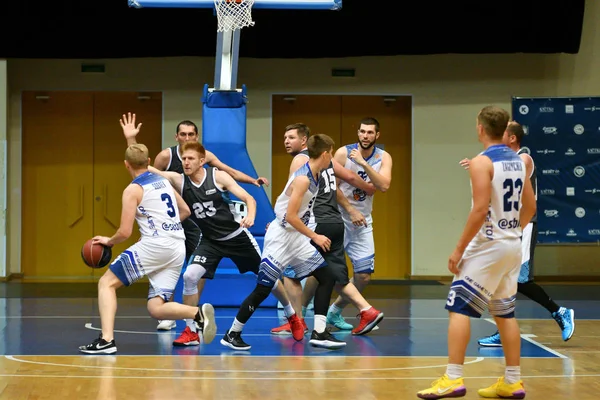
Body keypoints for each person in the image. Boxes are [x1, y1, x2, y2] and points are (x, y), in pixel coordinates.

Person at [417, 106, 536, 399]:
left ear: (480, 128)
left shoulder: (482, 162)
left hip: (489, 245)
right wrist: (512, 232)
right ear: (505, 130)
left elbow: (480, 208)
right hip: (512, 244)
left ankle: (453, 378)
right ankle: (512, 381)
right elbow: (530, 208)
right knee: (504, 314)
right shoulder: (520, 161)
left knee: (458, 306)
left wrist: (458, 250)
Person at [136, 140, 293, 347]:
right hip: (210, 241)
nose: (185, 162)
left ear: (202, 161)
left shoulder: (218, 176)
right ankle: (191, 330)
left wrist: (251, 217)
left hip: (236, 237)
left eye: (190, 158)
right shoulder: (179, 180)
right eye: (183, 158)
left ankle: (291, 315)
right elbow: (144, 167)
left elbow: (249, 199)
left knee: (268, 278)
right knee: (190, 275)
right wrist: (133, 143)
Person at [120, 113, 269, 331]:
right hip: (180, 220)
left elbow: (231, 173)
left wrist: (252, 182)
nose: (187, 138)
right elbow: (141, 168)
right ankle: (175, 316)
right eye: (183, 134)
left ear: (198, 140)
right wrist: (131, 140)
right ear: (177, 137)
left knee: (204, 271)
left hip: (212, 224)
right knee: (177, 267)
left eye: (191, 134)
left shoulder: (209, 162)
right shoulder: (167, 159)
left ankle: (289, 311)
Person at [78, 143, 217, 354]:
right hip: (176, 246)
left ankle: (106, 340)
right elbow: (186, 210)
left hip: (156, 245)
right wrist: (167, 227)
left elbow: (124, 232)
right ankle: (197, 313)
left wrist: (109, 240)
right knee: (156, 308)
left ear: (126, 165)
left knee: (106, 283)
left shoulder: (132, 190)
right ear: (149, 162)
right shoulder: (163, 182)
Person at [221, 134, 342, 350]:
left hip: (295, 236)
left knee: (327, 276)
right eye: (331, 154)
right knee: (263, 289)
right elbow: (292, 216)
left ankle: (320, 332)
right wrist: (314, 236)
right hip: (282, 237)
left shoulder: (317, 175)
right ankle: (232, 333)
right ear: (325, 154)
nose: (331, 158)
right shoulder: (303, 178)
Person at [459, 121, 575, 346]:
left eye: (502, 133)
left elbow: (507, 176)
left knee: (520, 280)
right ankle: (503, 328)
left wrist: (482, 164)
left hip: (524, 224)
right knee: (500, 277)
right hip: (505, 227)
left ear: (512, 138)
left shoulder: (524, 158)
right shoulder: (501, 161)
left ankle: (560, 312)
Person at [271, 123, 384, 338]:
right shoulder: (327, 160)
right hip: (335, 222)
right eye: (284, 137)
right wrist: (361, 196)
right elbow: (343, 183)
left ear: (305, 141)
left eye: (291, 137)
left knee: (292, 274)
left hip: (316, 221)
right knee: (330, 273)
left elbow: (292, 197)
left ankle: (297, 321)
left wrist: (281, 220)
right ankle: (365, 310)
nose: (286, 142)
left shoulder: (301, 160)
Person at [326, 117, 393, 330]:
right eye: (362, 132)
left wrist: (364, 164)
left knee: (363, 276)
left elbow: (384, 186)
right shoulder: (343, 153)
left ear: (377, 135)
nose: (365, 136)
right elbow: (332, 187)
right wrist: (350, 209)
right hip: (339, 218)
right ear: (358, 132)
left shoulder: (384, 157)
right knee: (323, 272)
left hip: (363, 221)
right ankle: (300, 314)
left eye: (370, 133)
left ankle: (334, 312)